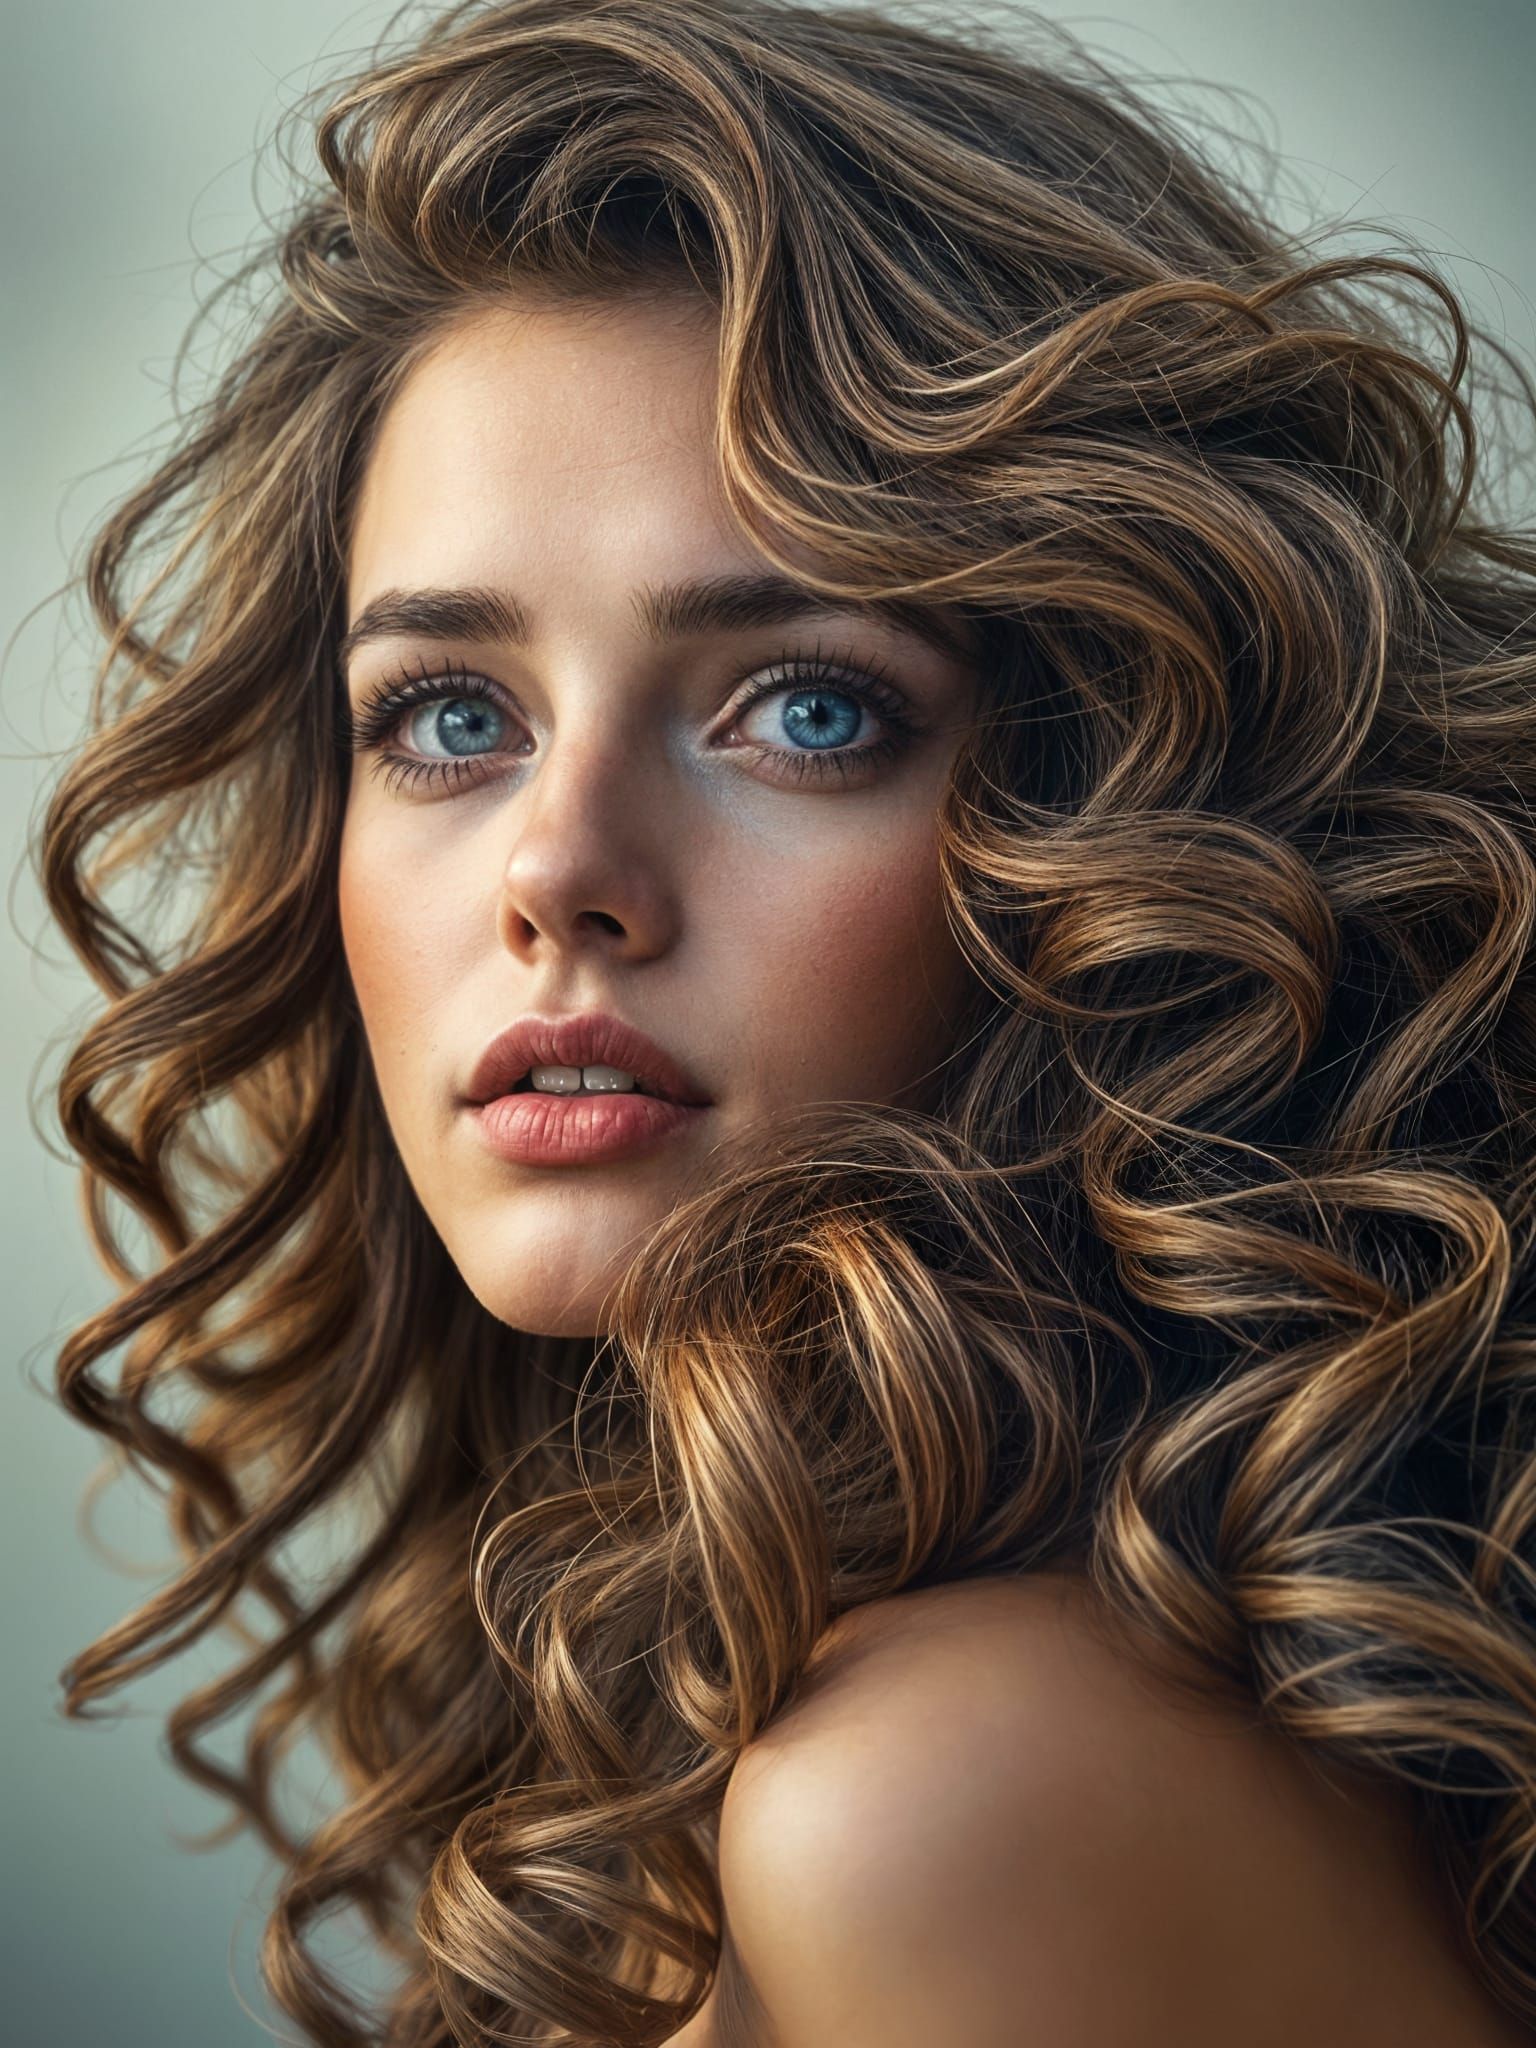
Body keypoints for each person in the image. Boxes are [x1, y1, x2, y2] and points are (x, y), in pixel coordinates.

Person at [36, 0, 1536, 2042]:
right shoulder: (794, 1701)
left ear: (1124, 821)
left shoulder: (949, 1793)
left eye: (807, 708)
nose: (557, 870)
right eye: (450, 716)